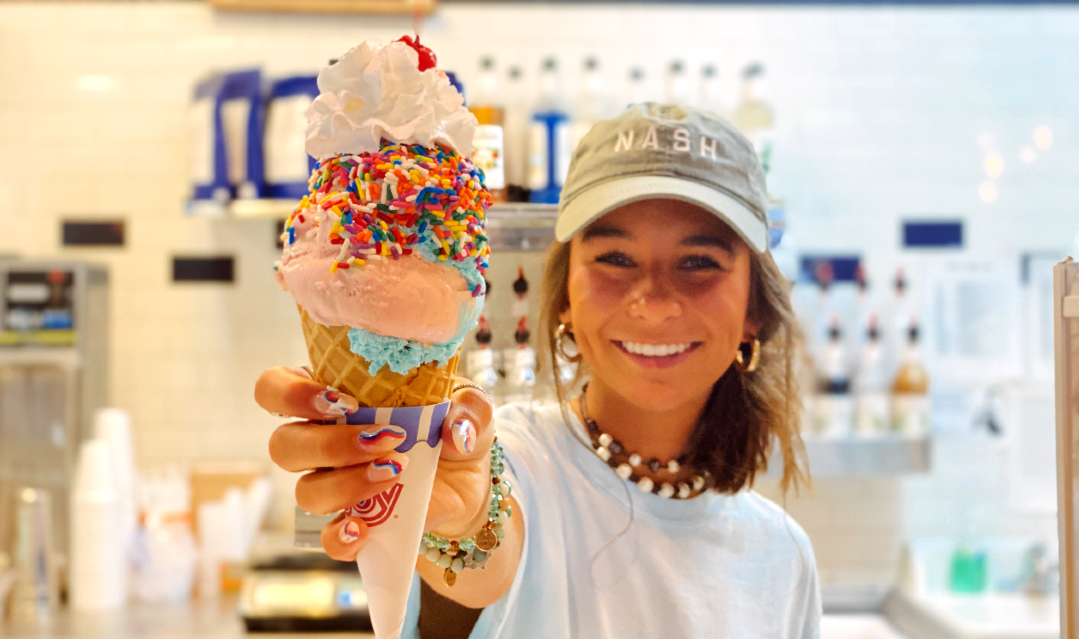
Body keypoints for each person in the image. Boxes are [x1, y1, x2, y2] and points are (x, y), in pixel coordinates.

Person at [255, 103, 821, 638]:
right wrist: (461, 521)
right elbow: (487, 531)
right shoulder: (514, 459)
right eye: (615, 259)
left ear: (754, 308)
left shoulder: (784, 556)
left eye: (700, 262)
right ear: (566, 296)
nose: (654, 303)